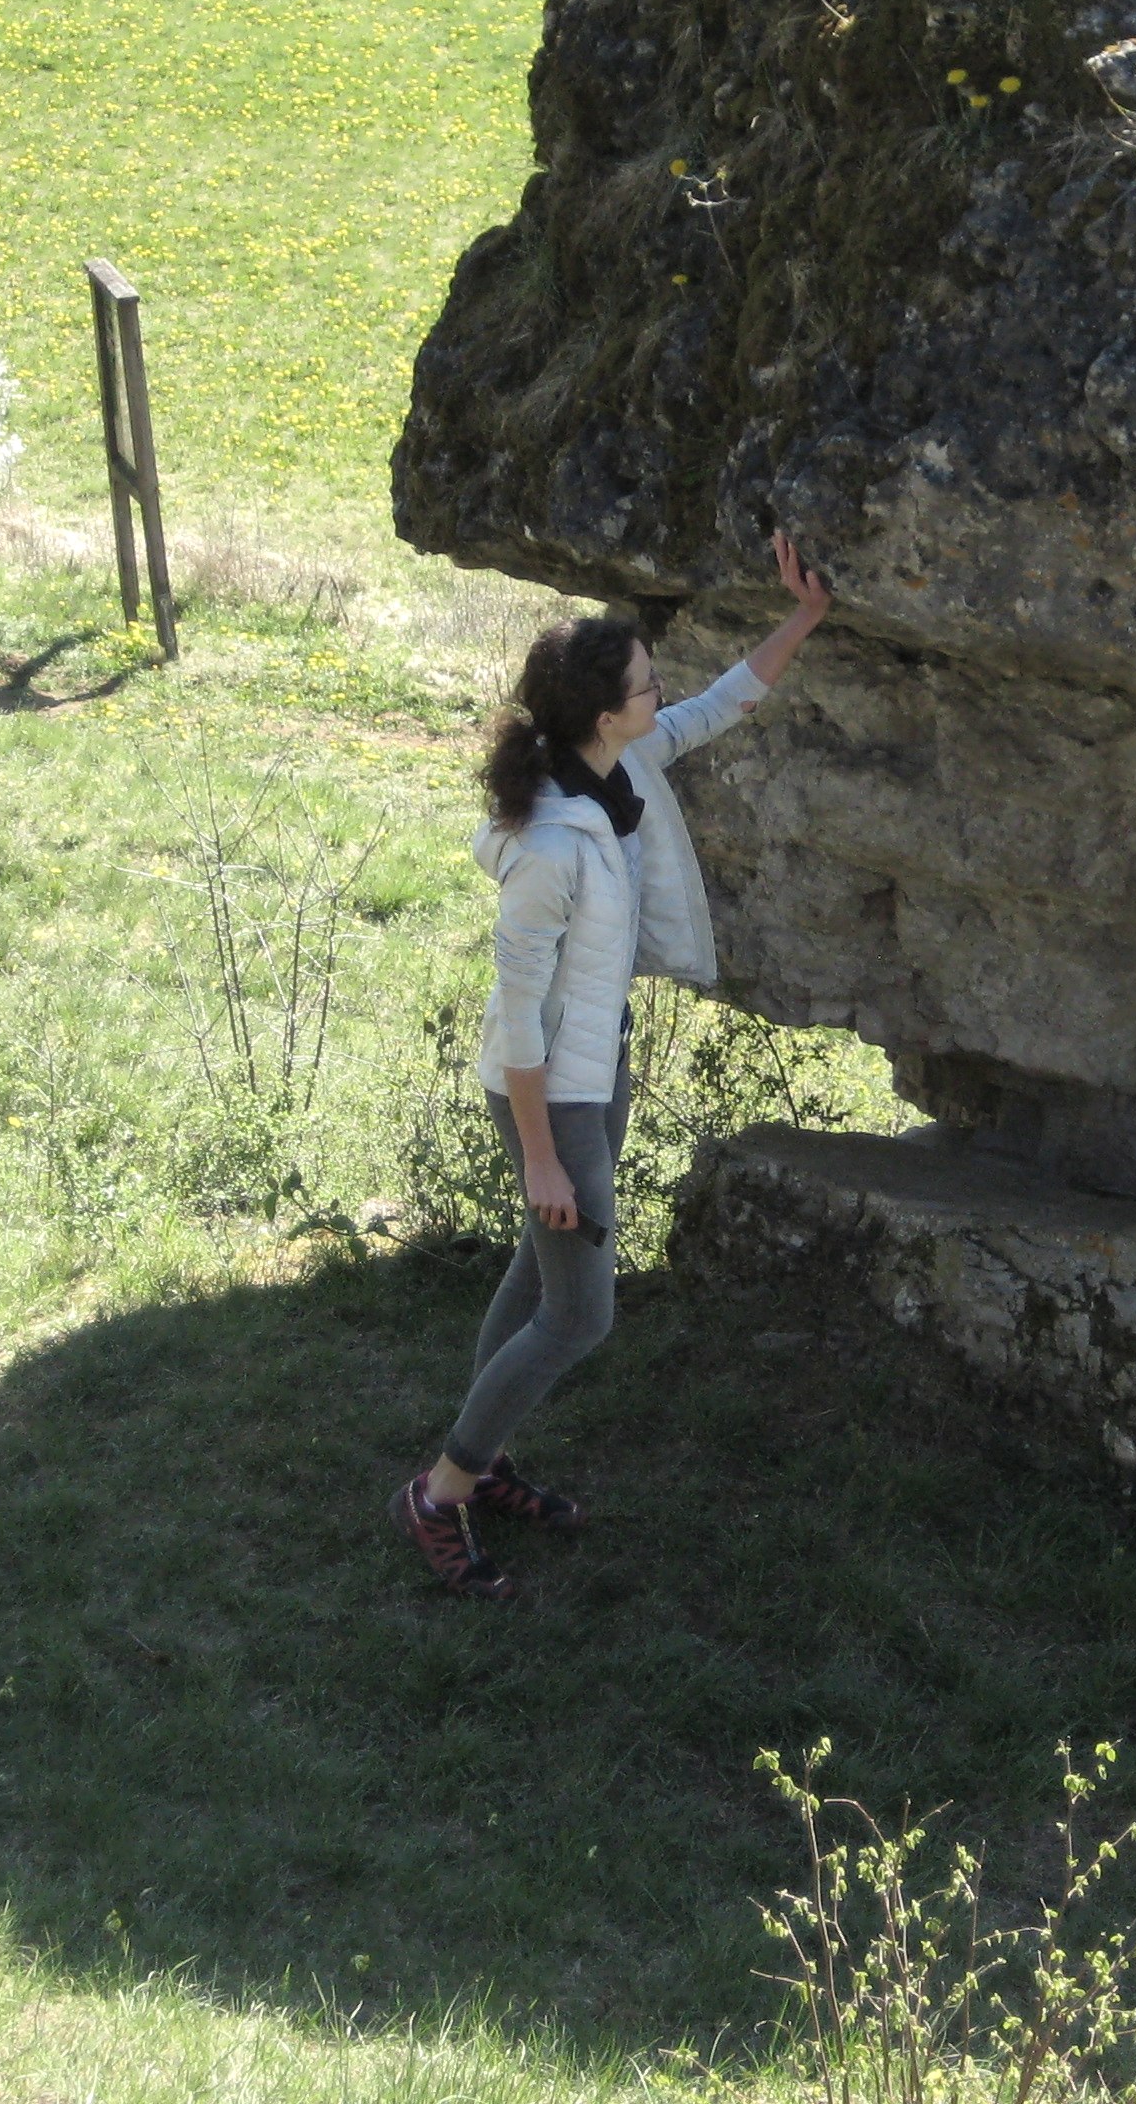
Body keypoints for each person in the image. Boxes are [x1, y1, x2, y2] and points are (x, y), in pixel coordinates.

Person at [394, 531, 834, 1599]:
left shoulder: (616, 765)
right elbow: (515, 1020)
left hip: (600, 1062)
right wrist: (543, 1156)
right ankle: (440, 1493)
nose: (660, 691)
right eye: (644, 683)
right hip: (551, 1091)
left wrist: (806, 616)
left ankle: (485, 1460)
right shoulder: (550, 848)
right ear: (603, 713)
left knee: (538, 1272)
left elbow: (717, 706)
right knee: (582, 1313)